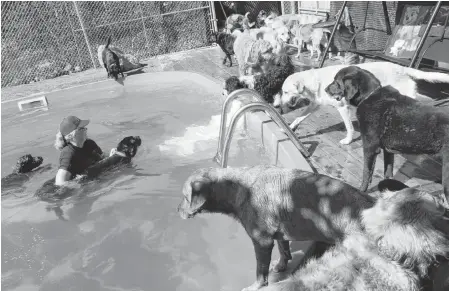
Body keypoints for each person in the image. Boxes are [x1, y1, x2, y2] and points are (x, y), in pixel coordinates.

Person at [54, 116, 104, 186]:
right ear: (71, 136)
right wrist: (81, 183)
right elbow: (60, 183)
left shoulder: (90, 144)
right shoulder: (68, 152)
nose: (86, 129)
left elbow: (103, 158)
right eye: (81, 128)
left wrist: (111, 155)